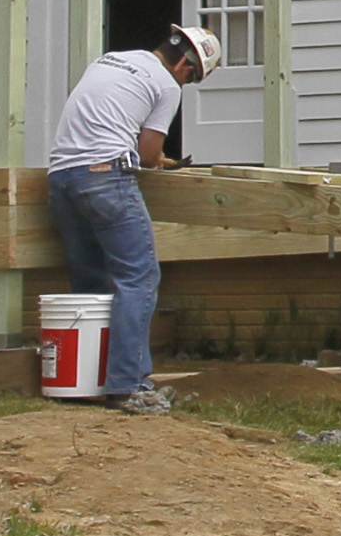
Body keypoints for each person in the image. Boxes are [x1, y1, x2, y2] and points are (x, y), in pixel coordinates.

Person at [46, 22, 220, 412]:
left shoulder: (110, 60)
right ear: (185, 67)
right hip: (105, 179)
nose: (187, 84)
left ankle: (83, 378)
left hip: (61, 181)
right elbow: (146, 155)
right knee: (138, 277)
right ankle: (128, 384)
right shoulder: (167, 85)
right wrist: (162, 161)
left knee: (91, 279)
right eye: (193, 78)